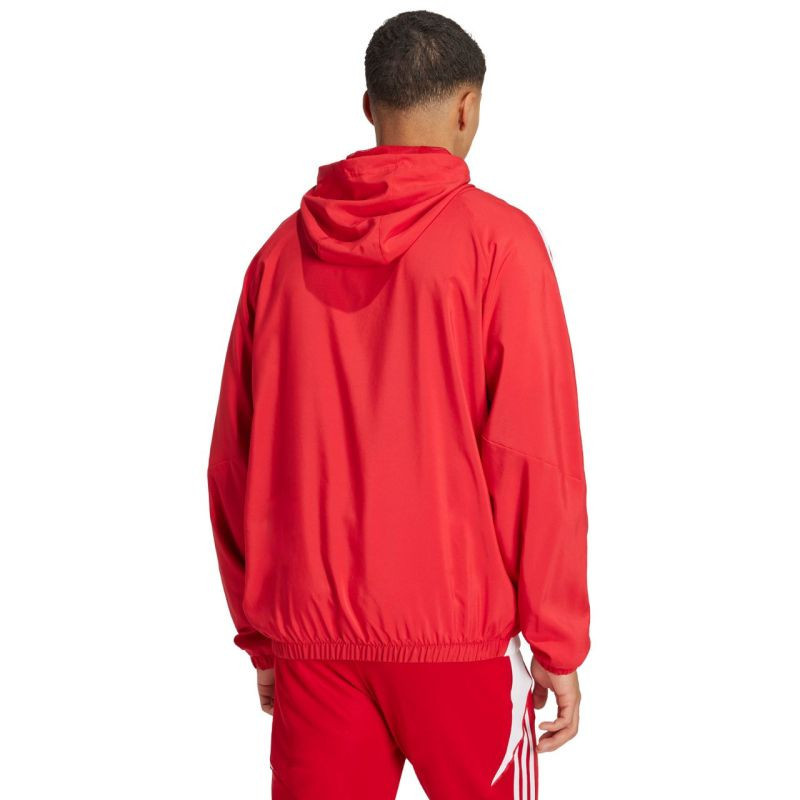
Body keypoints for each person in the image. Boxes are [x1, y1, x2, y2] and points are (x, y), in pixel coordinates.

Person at [206, 9, 590, 799]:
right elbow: (534, 456)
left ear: (368, 107)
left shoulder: (278, 258)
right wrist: (557, 640)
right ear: (466, 107)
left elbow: (235, 465)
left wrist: (264, 637)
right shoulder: (500, 246)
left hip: (315, 645)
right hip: (461, 646)